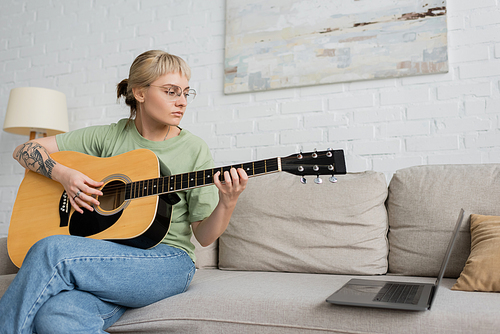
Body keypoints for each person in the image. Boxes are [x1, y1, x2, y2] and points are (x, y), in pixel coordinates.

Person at [0, 50, 248, 333]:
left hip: (168, 262)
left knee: (51, 250)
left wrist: (228, 201)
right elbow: (25, 149)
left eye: (186, 93)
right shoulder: (109, 136)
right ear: (139, 92)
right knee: (57, 315)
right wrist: (64, 174)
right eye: (171, 91)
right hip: (109, 258)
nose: (181, 102)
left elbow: (204, 237)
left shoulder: (194, 149)